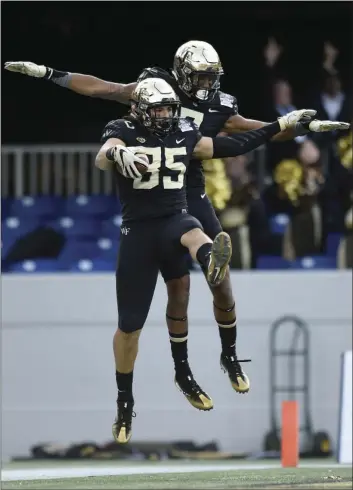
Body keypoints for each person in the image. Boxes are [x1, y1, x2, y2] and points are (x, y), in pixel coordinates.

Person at [5, 42, 349, 401]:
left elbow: (254, 132)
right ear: (182, 73)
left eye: (211, 77)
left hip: (191, 191)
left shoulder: (219, 105)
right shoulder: (155, 88)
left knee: (222, 276)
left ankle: (229, 354)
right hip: (155, 200)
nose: (207, 84)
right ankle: (182, 369)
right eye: (201, 76)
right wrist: (48, 74)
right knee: (179, 288)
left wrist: (303, 127)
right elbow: (103, 89)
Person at [95, 75, 328, 443]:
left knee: (198, 234)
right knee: (129, 326)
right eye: (157, 108)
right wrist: (116, 153)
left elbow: (235, 145)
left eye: (169, 109)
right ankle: (125, 401)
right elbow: (103, 154)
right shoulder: (122, 128)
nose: (165, 115)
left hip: (175, 217)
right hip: (138, 231)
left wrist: (280, 127)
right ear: (140, 108)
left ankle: (210, 257)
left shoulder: (184, 133)